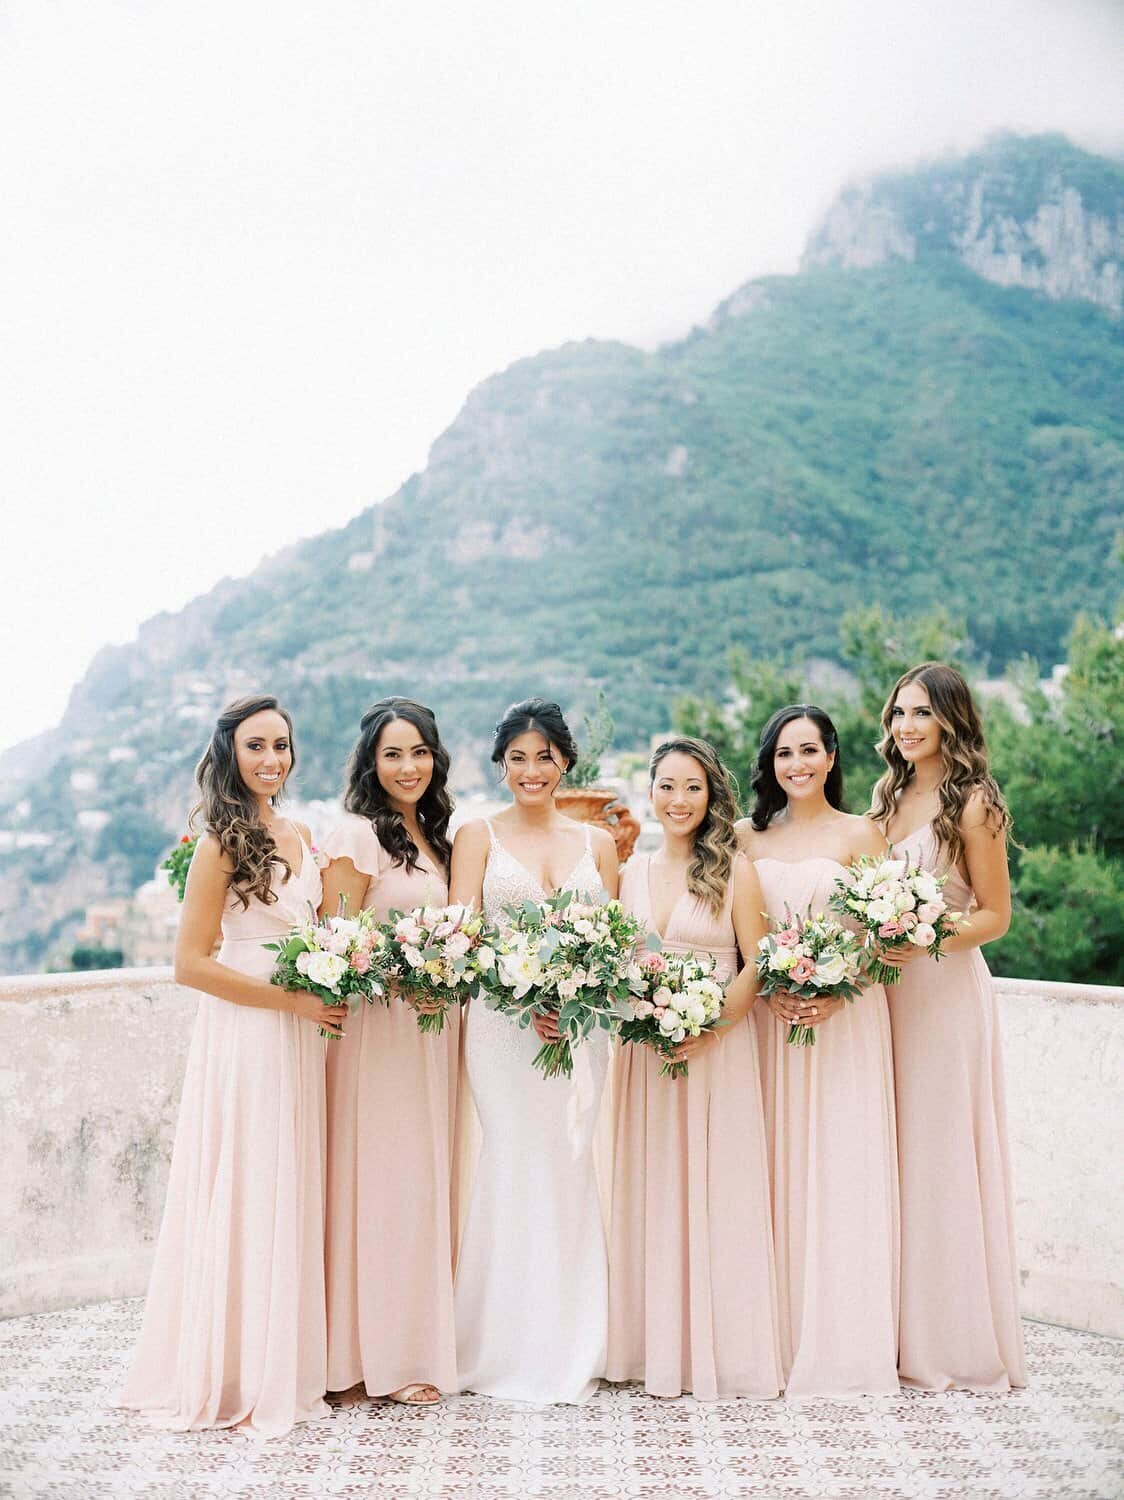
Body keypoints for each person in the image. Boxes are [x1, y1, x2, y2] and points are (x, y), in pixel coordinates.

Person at [121, 695, 339, 1437]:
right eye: (256, 745)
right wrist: (290, 1000)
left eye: (281, 743)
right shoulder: (218, 842)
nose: (271, 757)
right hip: (248, 1032)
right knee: (248, 1182)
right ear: (230, 753)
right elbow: (188, 964)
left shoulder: (303, 834)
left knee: (287, 1185)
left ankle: (282, 1356)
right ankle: (235, 1369)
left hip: (299, 1033)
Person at [451, 697, 618, 1403]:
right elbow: (461, 937)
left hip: (577, 1030)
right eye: (517, 757)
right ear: (500, 766)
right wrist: (525, 991)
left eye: (543, 756)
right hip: (498, 1024)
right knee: (514, 1159)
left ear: (565, 763)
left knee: (569, 1160)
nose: (530, 769)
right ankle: (500, 1346)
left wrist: (570, 1001)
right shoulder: (476, 835)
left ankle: (572, 1342)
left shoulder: (597, 844)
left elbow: (608, 947)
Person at [607, 737, 782, 1399]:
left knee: (717, 1187)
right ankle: (651, 1343)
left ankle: (719, 1346)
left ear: (711, 796)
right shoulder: (630, 873)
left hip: (716, 1049)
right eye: (667, 786)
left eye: (692, 788)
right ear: (650, 793)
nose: (678, 800)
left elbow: (756, 962)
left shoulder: (735, 870)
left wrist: (710, 1031)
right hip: (643, 1053)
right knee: (652, 1185)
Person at [736, 704, 899, 1396]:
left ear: (832, 757)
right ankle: (767, 1336)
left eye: (809, 750)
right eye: (783, 753)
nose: (796, 764)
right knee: (769, 1170)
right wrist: (769, 989)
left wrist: (842, 986)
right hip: (769, 1023)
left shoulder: (863, 834)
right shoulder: (747, 838)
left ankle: (840, 1340)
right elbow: (737, 933)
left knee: (840, 1165)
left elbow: (884, 935)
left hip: (846, 1021)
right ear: (770, 765)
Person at [871, 661, 1026, 1391]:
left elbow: (995, 915)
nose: (905, 727)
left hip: (942, 997)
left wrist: (929, 934)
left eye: (921, 714)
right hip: (885, 995)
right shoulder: (889, 794)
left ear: (950, 721)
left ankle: (948, 1339)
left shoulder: (974, 803)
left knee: (937, 1159)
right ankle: (890, 1328)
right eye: (899, 713)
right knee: (888, 1156)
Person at [320, 698, 459, 1405]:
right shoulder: (356, 835)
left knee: (419, 1189)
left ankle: (409, 1345)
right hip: (376, 1037)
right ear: (371, 763)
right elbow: (334, 944)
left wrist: (446, 978)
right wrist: (405, 977)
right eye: (393, 754)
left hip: (431, 1040)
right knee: (377, 1186)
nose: (408, 767)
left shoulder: (437, 838)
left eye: (420, 752)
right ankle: (357, 1361)